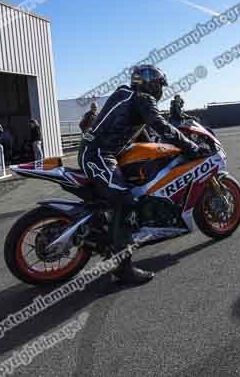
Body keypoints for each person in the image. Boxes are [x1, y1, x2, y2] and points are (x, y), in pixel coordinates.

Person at [78, 65, 206, 284]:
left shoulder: (124, 93)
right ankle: (122, 268)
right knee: (127, 200)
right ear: (149, 83)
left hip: (94, 152)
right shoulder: (143, 99)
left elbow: (134, 125)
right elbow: (160, 125)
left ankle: (104, 231)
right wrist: (190, 147)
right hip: (99, 155)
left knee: (121, 192)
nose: (159, 89)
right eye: (158, 84)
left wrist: (153, 144)